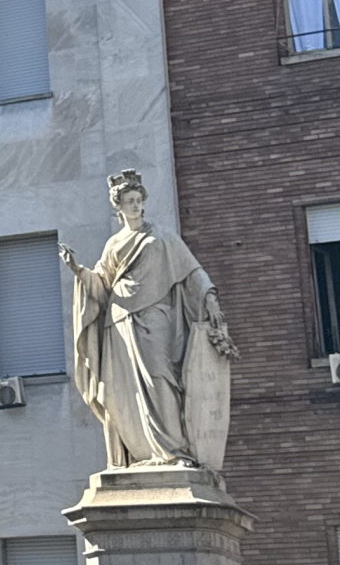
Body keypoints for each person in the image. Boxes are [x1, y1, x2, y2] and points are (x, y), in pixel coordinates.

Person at [60, 170, 235, 473]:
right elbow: (102, 285)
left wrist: (209, 296)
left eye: (138, 200)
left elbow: (192, 270)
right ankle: (137, 453)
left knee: (160, 376)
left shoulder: (162, 236)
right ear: (119, 206)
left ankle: (173, 450)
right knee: (122, 389)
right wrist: (78, 270)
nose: (135, 205)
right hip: (119, 321)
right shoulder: (114, 244)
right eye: (129, 201)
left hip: (155, 315)